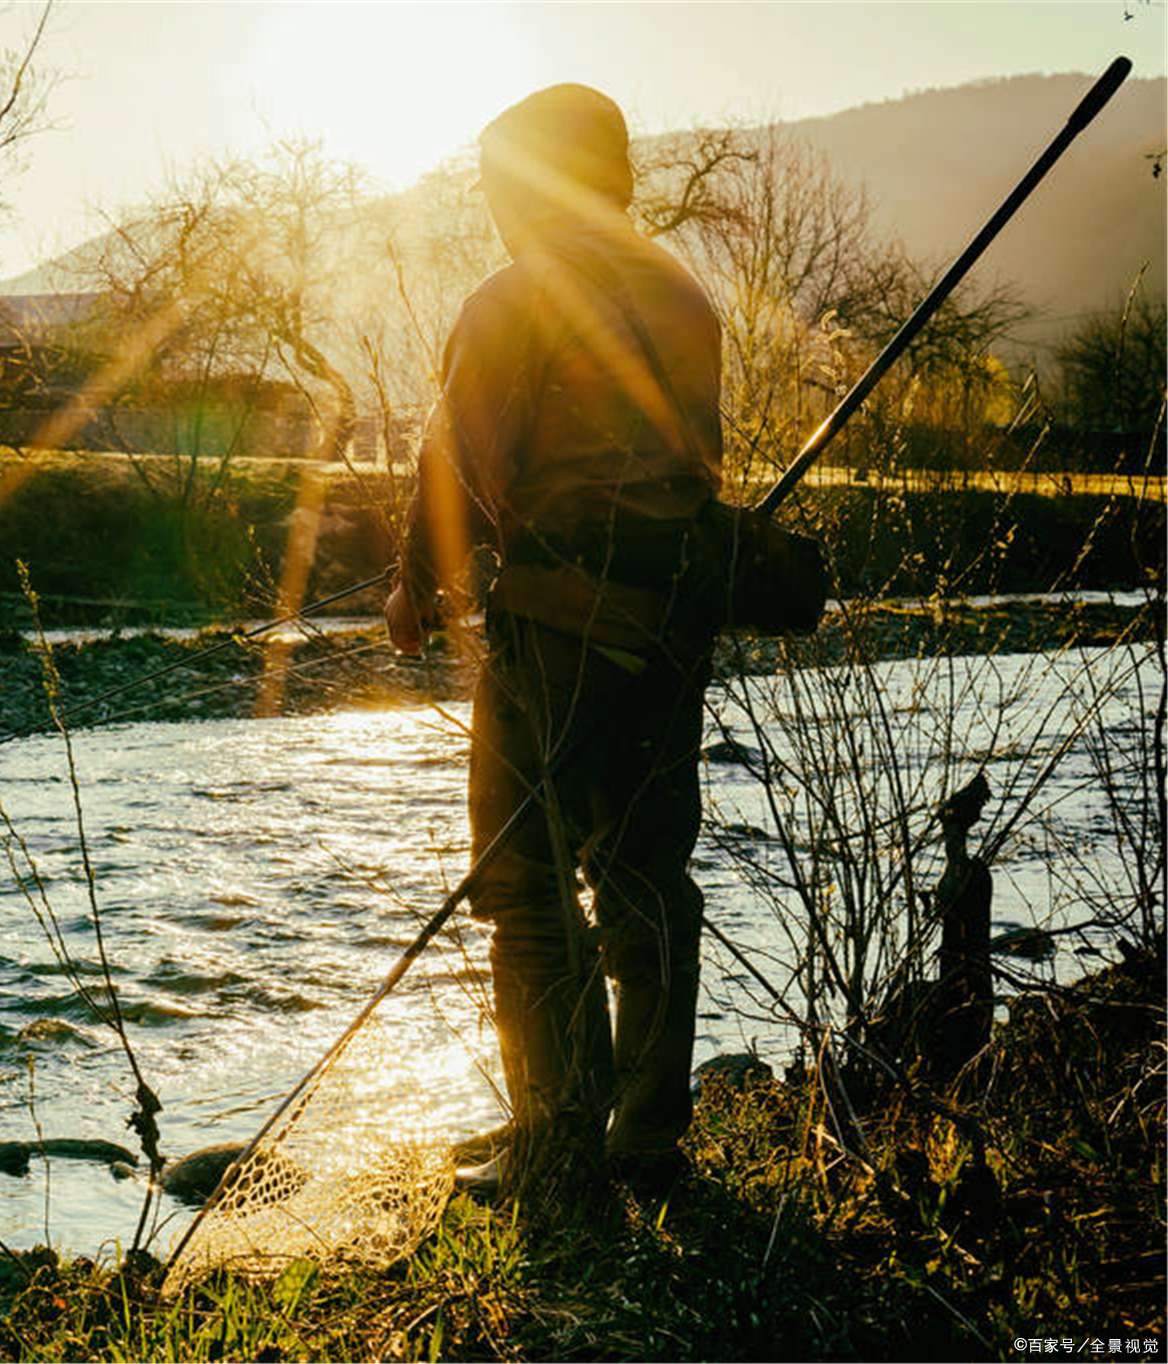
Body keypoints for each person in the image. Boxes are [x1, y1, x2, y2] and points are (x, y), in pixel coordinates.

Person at [385, 83, 723, 1196]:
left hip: (556, 630)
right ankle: (648, 1129)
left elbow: (455, 464)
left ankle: (555, 1133)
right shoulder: (685, 295)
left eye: (496, 182)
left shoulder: (509, 300)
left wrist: (413, 588)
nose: (489, 206)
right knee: (647, 872)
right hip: (675, 625)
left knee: (523, 880)